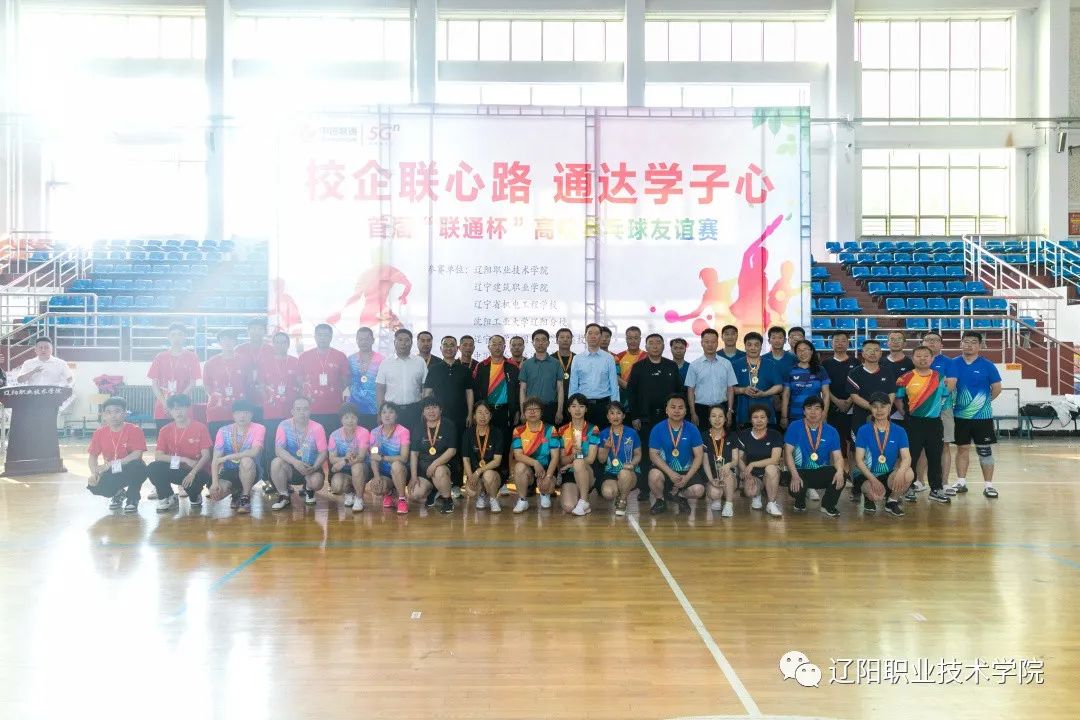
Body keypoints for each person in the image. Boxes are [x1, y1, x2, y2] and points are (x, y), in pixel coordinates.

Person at [946, 331, 1002, 499]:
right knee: (962, 449)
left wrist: (982, 404)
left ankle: (989, 486)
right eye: (966, 342)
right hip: (959, 417)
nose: (969, 345)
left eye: (973, 342)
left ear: (980, 345)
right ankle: (961, 482)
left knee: (984, 450)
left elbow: (997, 388)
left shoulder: (988, 365)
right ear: (961, 343)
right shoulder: (953, 363)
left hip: (982, 418)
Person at [626, 332, 682, 500]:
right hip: (644, 419)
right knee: (645, 453)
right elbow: (631, 393)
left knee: (668, 451)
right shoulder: (638, 367)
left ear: (663, 346)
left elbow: (679, 391)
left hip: (668, 419)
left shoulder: (671, 366)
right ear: (646, 346)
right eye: (651, 343)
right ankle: (644, 488)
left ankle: (668, 488)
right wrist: (634, 416)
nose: (655, 346)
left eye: (658, 343)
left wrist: (677, 414)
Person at [895, 346, 952, 505]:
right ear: (913, 358)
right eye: (918, 356)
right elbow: (898, 399)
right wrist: (906, 415)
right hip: (913, 423)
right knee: (910, 457)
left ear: (932, 359)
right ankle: (908, 487)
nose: (922, 359)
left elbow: (945, 399)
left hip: (935, 424)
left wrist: (935, 412)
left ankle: (936, 489)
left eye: (926, 356)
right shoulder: (904, 378)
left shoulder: (940, 378)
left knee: (935, 457)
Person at [148, 394, 212, 513]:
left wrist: (192, 473)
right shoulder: (165, 430)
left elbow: (206, 455)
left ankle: (195, 495)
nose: (178, 411)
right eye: (174, 408)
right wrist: (184, 459)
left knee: (193, 489)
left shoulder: (200, 427)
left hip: (197, 470)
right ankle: (167, 496)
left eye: (181, 407)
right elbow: (158, 456)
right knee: (154, 467)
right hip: (176, 468)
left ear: (188, 408)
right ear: (169, 411)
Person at [853, 392, 913, 516]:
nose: (879, 410)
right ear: (871, 409)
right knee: (876, 495)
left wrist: (900, 472)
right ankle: (868, 497)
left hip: (887, 473)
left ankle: (892, 501)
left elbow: (906, 457)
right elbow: (859, 460)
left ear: (889, 408)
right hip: (866, 475)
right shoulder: (863, 430)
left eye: (883, 406)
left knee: (908, 473)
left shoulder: (899, 431)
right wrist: (873, 480)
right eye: (875, 406)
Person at [783, 396, 845, 517]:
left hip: (820, 471)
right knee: (797, 489)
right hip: (799, 471)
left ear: (822, 411)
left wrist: (840, 472)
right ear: (804, 411)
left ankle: (828, 505)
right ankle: (800, 500)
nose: (813, 412)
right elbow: (787, 452)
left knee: (841, 474)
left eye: (817, 408)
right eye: (809, 408)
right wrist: (794, 475)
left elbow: (838, 457)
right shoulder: (795, 426)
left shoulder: (831, 431)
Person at [86, 396, 148, 514]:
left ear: (125, 413)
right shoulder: (99, 433)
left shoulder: (135, 430)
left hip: (130, 468)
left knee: (138, 466)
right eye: (108, 412)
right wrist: (94, 473)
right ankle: (119, 493)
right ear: (104, 415)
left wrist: (113, 464)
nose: (113, 416)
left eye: (117, 411)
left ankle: (132, 498)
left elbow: (137, 454)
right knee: (94, 486)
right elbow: (93, 456)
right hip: (112, 470)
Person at [257, 331, 303, 486]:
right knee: (271, 447)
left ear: (288, 344)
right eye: (277, 342)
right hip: (271, 412)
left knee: (291, 446)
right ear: (273, 344)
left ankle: (290, 480)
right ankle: (271, 482)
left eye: (283, 342)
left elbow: (301, 384)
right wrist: (268, 399)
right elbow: (261, 385)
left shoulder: (295, 362)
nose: (280, 345)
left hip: (291, 413)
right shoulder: (265, 362)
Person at [647, 394, 706, 515]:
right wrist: (671, 473)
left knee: (699, 490)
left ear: (685, 411)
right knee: (654, 475)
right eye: (673, 407)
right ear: (666, 410)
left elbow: (699, 456)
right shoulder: (657, 429)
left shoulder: (692, 429)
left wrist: (687, 478)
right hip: (665, 470)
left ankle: (681, 496)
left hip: (686, 471)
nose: (677, 411)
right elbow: (653, 455)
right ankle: (660, 500)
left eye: (680, 407)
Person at [269, 397, 328, 510]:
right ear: (292, 411)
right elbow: (279, 450)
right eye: (298, 409)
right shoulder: (284, 425)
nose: (302, 412)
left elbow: (323, 452)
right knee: (276, 462)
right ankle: (284, 495)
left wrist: (315, 467)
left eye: (305, 409)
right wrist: (295, 462)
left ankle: (309, 489)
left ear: (310, 411)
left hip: (311, 467)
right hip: (291, 467)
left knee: (316, 482)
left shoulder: (317, 427)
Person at [469, 335, 520, 465]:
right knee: (486, 441)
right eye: (494, 344)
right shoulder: (481, 366)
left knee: (505, 441)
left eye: (500, 344)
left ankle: (504, 472)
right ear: (489, 347)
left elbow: (517, 390)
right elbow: (475, 391)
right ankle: (486, 469)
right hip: (486, 411)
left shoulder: (512, 366)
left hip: (505, 411)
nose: (497, 347)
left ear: (504, 347)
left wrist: (517, 410)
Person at [209, 400, 265, 514]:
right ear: (233, 415)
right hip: (229, 470)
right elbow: (216, 459)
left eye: (246, 413)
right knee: (217, 493)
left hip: (251, 470)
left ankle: (245, 497)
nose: (242, 416)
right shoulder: (223, 431)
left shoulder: (259, 428)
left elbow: (254, 452)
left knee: (246, 460)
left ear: (251, 415)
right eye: (239, 413)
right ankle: (236, 492)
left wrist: (227, 457)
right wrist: (214, 483)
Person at [510, 397, 561, 514]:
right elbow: (518, 455)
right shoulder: (518, 430)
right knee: (519, 467)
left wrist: (548, 477)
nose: (532, 412)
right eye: (529, 409)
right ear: (524, 413)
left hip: (547, 469)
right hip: (529, 469)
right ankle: (522, 500)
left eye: (536, 409)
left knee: (546, 505)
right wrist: (535, 463)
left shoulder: (551, 429)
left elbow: (555, 457)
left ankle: (545, 493)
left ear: (541, 413)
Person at [147, 323, 201, 431]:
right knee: (163, 438)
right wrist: (165, 403)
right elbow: (154, 384)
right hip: (164, 407)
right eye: (173, 335)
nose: (176, 338)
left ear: (185, 336)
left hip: (183, 406)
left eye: (180, 334)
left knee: (185, 437)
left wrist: (179, 402)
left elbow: (192, 383)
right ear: (168, 337)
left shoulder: (192, 357)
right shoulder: (160, 357)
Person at [298, 323, 350, 435]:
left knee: (332, 439)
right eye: (319, 335)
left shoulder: (340, 356)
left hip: (334, 408)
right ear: (315, 337)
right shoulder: (304, 356)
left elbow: (345, 380)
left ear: (331, 337)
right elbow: (299, 379)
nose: (322, 338)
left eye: (326, 335)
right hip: (310, 409)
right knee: (311, 440)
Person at [408, 398, 457, 514]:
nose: (431, 411)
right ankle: (434, 491)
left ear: (441, 410)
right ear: (423, 412)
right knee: (414, 494)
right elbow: (414, 453)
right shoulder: (418, 427)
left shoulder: (448, 425)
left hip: (442, 466)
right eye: (427, 408)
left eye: (434, 407)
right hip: (424, 469)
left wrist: (434, 464)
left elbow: (452, 450)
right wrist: (413, 477)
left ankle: (447, 500)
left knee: (439, 471)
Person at [923, 330, 957, 494]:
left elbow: (950, 385)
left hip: (944, 409)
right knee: (921, 447)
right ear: (922, 343)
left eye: (935, 340)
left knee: (945, 446)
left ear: (941, 345)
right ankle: (919, 481)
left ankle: (944, 482)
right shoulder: (917, 360)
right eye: (928, 339)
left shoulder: (949, 362)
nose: (931, 342)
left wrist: (936, 403)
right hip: (921, 411)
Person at [685, 328, 737, 434]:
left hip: (722, 407)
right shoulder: (694, 365)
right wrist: (693, 412)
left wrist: (729, 410)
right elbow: (690, 391)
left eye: (713, 342)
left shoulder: (726, 364)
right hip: (701, 409)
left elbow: (730, 389)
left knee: (723, 438)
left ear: (717, 343)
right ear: (701, 343)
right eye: (707, 341)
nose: (710, 345)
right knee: (702, 439)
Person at [376, 328, 428, 434]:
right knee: (394, 440)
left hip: (415, 410)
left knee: (415, 439)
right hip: (392, 410)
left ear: (411, 343)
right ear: (394, 342)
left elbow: (425, 387)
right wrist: (380, 412)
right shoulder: (386, 363)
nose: (403, 343)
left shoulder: (419, 362)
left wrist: (425, 409)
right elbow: (380, 388)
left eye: (407, 340)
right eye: (400, 340)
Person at [556, 394, 601, 516]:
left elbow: (590, 459)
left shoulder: (593, 429)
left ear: (586, 409)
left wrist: (573, 463)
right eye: (574, 406)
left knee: (579, 462)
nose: (577, 410)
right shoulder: (562, 430)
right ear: (568, 409)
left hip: (587, 472)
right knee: (568, 507)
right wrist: (572, 456)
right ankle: (582, 501)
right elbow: (561, 461)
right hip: (570, 474)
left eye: (581, 406)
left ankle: (584, 501)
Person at [12, 336, 75, 422]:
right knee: (33, 422)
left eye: (46, 347)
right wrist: (33, 372)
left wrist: (65, 387)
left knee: (49, 423)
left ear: (51, 349)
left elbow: (70, 379)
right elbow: (20, 380)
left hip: (52, 398)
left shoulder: (61, 363)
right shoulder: (28, 363)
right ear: (35, 349)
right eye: (40, 347)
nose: (43, 350)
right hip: (32, 399)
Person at [568, 323, 620, 429]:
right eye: (590, 333)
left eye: (596, 334)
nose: (593, 336)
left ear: (600, 336)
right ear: (585, 336)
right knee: (584, 436)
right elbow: (573, 385)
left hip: (604, 405)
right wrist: (571, 406)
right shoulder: (577, 358)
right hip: (583, 406)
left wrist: (616, 407)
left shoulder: (609, 358)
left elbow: (614, 385)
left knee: (604, 436)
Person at [736, 404, 784, 517]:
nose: (759, 420)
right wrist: (747, 473)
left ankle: (771, 503)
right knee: (750, 491)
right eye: (755, 417)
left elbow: (775, 459)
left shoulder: (775, 435)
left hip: (770, 473)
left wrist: (753, 464)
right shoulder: (744, 435)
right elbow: (739, 458)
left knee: (771, 468)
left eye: (762, 417)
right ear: (750, 420)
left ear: (768, 419)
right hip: (752, 474)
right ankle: (757, 495)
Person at [597, 401, 641, 517]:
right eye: (612, 413)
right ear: (608, 417)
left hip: (629, 471)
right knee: (608, 493)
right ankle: (620, 491)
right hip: (611, 472)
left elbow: (638, 454)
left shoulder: (632, 433)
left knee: (624, 473)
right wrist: (606, 448)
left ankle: (622, 499)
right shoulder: (603, 434)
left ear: (624, 416)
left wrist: (632, 464)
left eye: (618, 413)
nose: (615, 416)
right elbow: (601, 460)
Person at [822, 331, 860, 466]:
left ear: (848, 343)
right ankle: (836, 473)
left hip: (853, 408)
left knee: (853, 443)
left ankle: (853, 474)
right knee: (834, 442)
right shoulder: (825, 364)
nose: (840, 344)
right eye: (836, 341)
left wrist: (849, 400)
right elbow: (824, 388)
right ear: (831, 343)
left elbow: (859, 385)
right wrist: (836, 401)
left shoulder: (856, 362)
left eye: (843, 341)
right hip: (832, 408)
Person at [203, 329, 248, 440]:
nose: (228, 342)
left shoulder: (244, 361)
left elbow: (249, 383)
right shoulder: (211, 362)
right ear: (219, 342)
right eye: (224, 340)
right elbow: (207, 386)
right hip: (217, 411)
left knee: (238, 443)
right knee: (217, 443)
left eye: (231, 339)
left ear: (235, 342)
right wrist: (217, 399)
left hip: (238, 412)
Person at [731, 331, 783, 428]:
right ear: (745, 346)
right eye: (749, 345)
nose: (753, 348)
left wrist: (764, 393)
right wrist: (743, 390)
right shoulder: (736, 365)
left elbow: (779, 386)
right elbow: (730, 388)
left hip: (766, 413)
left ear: (761, 347)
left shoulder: (770, 364)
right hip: (744, 413)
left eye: (756, 345)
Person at [367, 402, 412, 514]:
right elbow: (374, 456)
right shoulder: (375, 432)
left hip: (400, 471)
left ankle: (402, 499)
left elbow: (404, 458)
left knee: (396, 465)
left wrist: (383, 458)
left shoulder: (403, 431)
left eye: (391, 412)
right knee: (375, 487)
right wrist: (376, 476)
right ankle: (389, 493)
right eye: (384, 412)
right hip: (384, 473)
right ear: (380, 415)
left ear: (396, 415)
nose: (387, 415)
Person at [423, 335, 471, 439]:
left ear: (457, 349)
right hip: (439, 415)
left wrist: (470, 414)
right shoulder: (433, 369)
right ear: (441, 348)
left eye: (452, 345)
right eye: (445, 345)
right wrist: (426, 413)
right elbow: (427, 393)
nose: (448, 348)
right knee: (441, 442)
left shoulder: (465, 370)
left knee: (459, 441)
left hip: (461, 415)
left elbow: (469, 393)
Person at [328, 403, 371, 512]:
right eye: (346, 417)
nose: (350, 421)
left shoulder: (364, 432)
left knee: (356, 467)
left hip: (362, 469)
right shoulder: (334, 435)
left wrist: (344, 461)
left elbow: (361, 457)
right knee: (336, 486)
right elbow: (332, 458)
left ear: (357, 418)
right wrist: (344, 460)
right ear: (341, 419)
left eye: (353, 417)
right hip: (344, 471)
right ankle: (349, 492)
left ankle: (359, 498)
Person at [463, 401, 505, 512]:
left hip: (493, 473)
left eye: (486, 413)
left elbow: (497, 461)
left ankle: (493, 498)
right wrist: (470, 476)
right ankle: (481, 494)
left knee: (488, 475)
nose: (483, 416)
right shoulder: (468, 433)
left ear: (490, 416)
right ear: (474, 416)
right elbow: (465, 459)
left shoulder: (497, 433)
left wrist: (478, 471)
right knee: (471, 491)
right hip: (475, 474)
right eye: (479, 412)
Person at [518, 329, 565, 426]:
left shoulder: (556, 363)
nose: (540, 343)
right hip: (531, 410)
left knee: (550, 435)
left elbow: (560, 388)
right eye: (537, 340)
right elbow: (522, 389)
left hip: (551, 408)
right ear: (533, 343)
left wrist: (559, 411)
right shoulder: (526, 364)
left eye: (543, 340)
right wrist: (522, 412)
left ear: (548, 343)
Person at [781, 340, 831, 429]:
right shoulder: (790, 370)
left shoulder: (820, 370)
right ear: (795, 353)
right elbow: (786, 395)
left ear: (811, 351)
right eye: (799, 350)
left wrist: (824, 415)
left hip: (815, 416)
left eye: (805, 349)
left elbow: (826, 394)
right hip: (795, 416)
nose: (802, 353)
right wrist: (784, 417)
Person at [701, 404, 740, 518]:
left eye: (720, 416)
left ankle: (728, 505)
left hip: (729, 476)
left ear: (725, 419)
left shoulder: (732, 435)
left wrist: (728, 465)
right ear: (709, 419)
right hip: (712, 476)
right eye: (713, 416)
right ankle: (717, 498)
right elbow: (705, 463)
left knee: (727, 472)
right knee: (715, 493)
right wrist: (711, 480)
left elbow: (735, 460)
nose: (717, 419)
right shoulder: (703, 436)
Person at [345, 327, 383, 429]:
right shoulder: (351, 359)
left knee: (372, 437)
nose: (363, 342)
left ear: (373, 340)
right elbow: (346, 381)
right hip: (353, 409)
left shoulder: (381, 360)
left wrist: (381, 411)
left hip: (374, 408)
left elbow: (383, 386)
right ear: (356, 341)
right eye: (360, 339)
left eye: (366, 339)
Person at [235, 318, 274, 417]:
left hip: (266, 397)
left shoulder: (271, 350)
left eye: (260, 329)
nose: (256, 332)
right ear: (248, 331)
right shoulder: (239, 350)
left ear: (265, 331)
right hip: (244, 397)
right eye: (253, 329)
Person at [881, 330, 914, 426]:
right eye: (892, 339)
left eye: (899, 339)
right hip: (882, 409)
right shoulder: (879, 363)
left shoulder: (911, 364)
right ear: (887, 343)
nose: (895, 342)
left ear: (905, 343)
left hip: (904, 409)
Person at [614, 326, 644, 404]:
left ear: (640, 339)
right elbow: (616, 377)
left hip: (643, 397)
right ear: (626, 339)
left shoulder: (647, 356)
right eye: (630, 338)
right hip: (624, 399)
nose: (633, 341)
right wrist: (631, 388)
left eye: (636, 338)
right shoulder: (618, 357)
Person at [553, 327, 576, 404]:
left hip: (573, 399)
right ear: (557, 340)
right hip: (554, 399)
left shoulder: (577, 359)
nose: (565, 340)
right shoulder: (551, 359)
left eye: (568, 337)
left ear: (571, 340)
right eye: (562, 337)